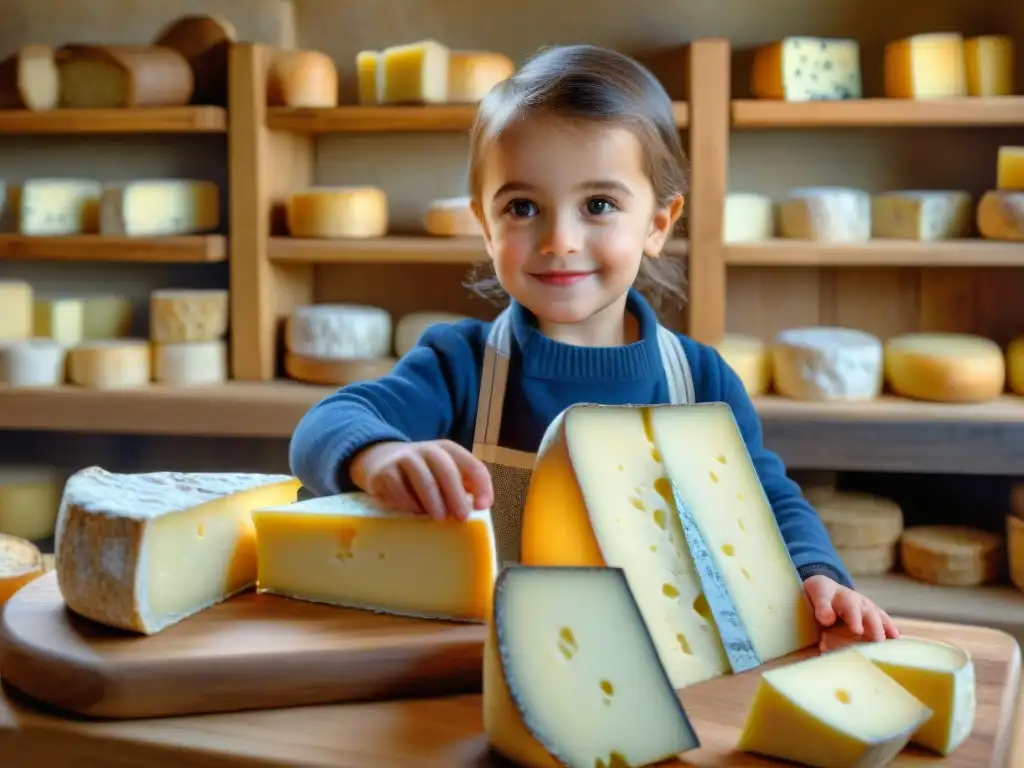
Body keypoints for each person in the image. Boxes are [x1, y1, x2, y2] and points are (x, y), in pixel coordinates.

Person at [289, 43, 898, 644]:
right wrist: (380, 457)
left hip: (662, 670)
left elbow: (770, 507)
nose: (559, 239)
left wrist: (820, 577)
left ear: (658, 223)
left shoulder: (701, 383)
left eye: (599, 204)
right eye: (523, 207)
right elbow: (326, 424)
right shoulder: (462, 364)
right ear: (484, 223)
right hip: (485, 668)